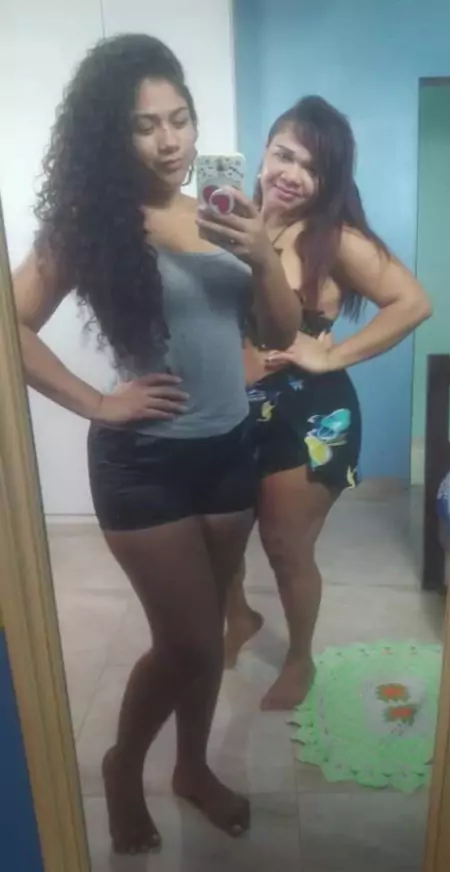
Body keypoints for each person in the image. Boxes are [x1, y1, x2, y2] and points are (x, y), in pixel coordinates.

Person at [13, 34, 300, 854]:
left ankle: (192, 769)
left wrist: (263, 257)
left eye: (180, 119)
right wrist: (98, 401)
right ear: (114, 133)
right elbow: (12, 325)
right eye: (146, 126)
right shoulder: (91, 224)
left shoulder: (222, 212)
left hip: (228, 450)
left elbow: (279, 334)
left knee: (207, 641)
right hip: (144, 464)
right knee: (188, 641)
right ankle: (122, 765)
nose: (170, 140)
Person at [224, 96, 432, 711]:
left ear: (329, 180)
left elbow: (413, 303)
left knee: (286, 548)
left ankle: (299, 657)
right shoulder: (232, 220)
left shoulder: (333, 237)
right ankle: (239, 619)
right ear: (263, 153)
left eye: (311, 167)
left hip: (308, 417)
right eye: (284, 155)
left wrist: (332, 355)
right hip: (230, 410)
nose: (292, 174)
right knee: (221, 536)